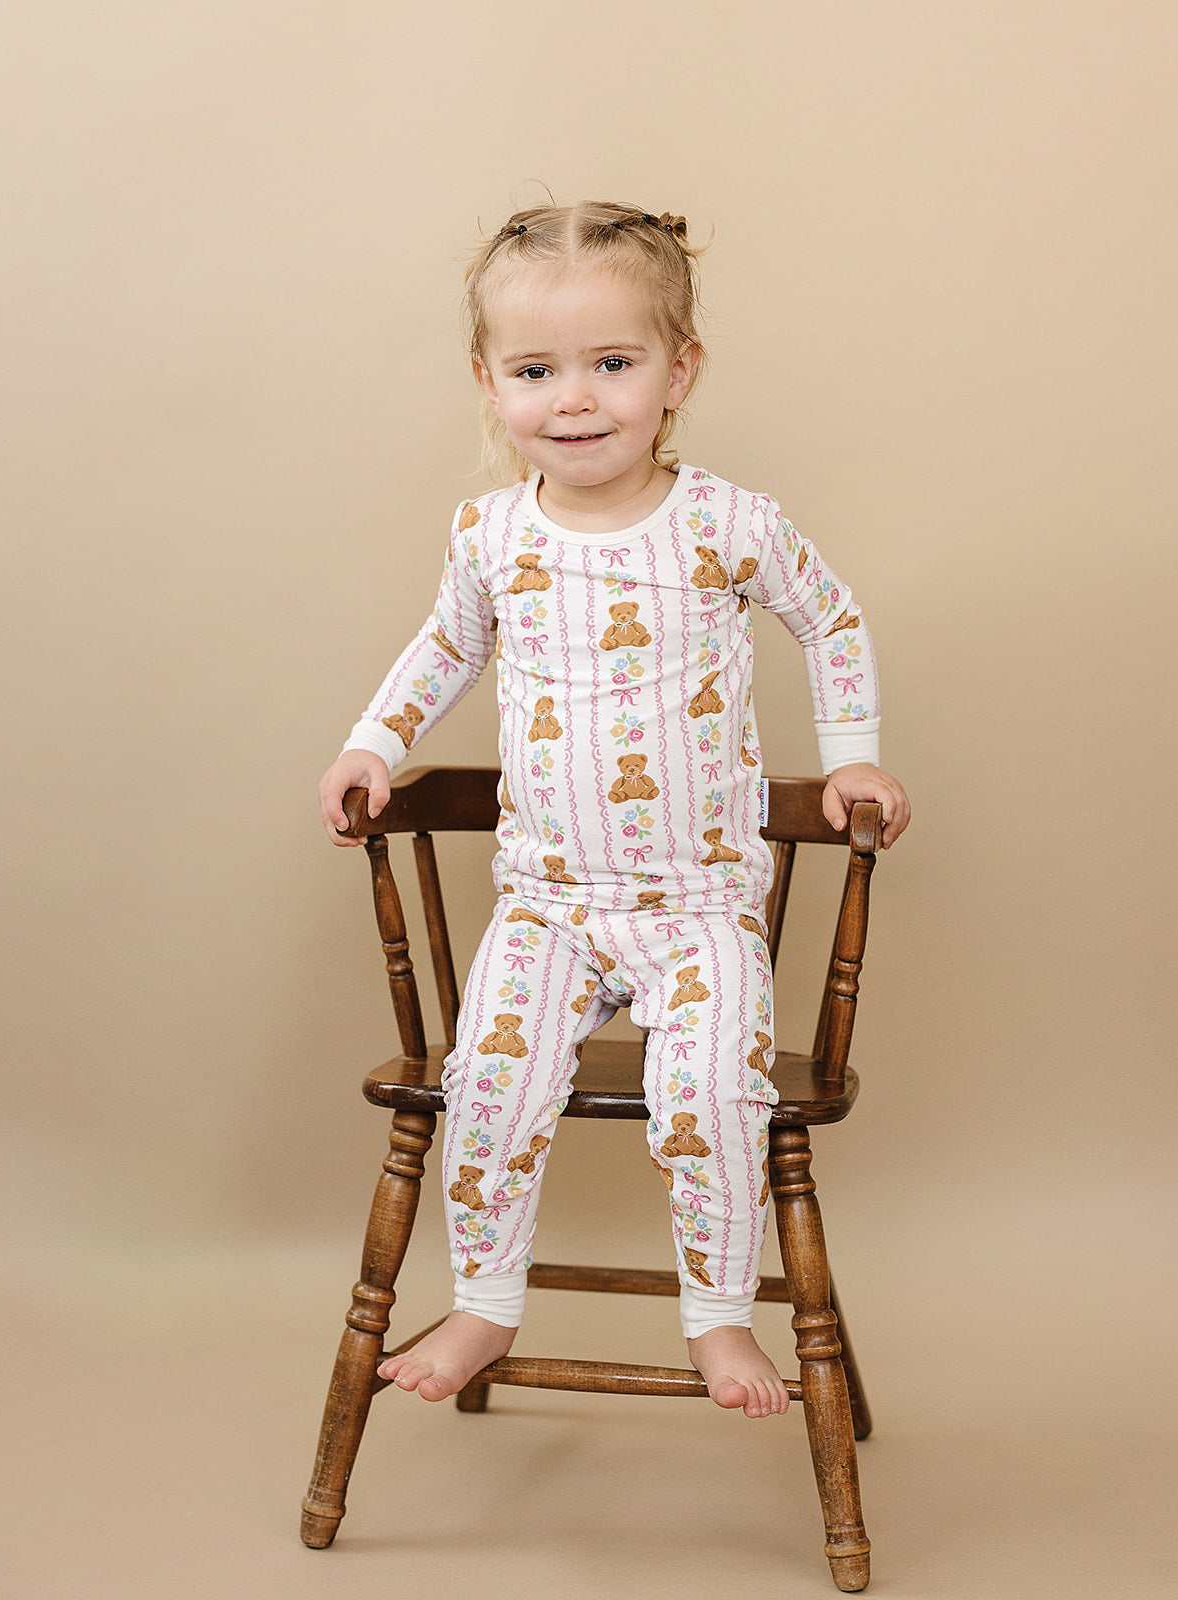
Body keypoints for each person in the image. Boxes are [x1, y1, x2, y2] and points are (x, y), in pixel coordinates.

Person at [318, 201, 910, 1420]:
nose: (574, 399)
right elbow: (446, 647)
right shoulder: (491, 534)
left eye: (612, 363)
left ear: (676, 372)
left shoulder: (725, 524)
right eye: (536, 370)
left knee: (715, 1094)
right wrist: (375, 741)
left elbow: (831, 617)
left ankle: (718, 1316)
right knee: (488, 1082)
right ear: (488, 382)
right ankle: (485, 1300)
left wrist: (849, 758)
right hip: (547, 903)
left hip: (698, 905)